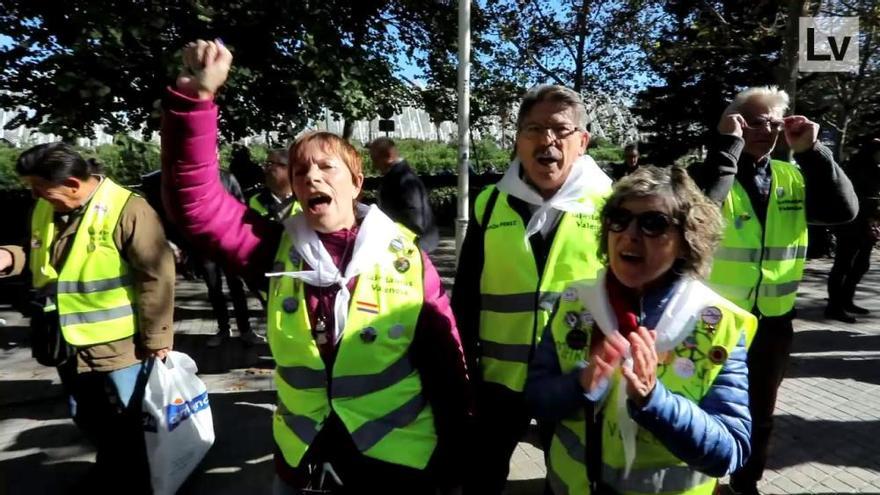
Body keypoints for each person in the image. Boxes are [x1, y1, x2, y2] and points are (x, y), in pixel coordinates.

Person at [160, 39, 469, 494]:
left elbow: (446, 360)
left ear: (357, 182)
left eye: (326, 167)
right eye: (302, 170)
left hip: (398, 456)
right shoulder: (273, 248)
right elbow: (196, 205)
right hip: (304, 453)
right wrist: (196, 97)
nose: (311, 177)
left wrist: (456, 450)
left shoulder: (405, 257)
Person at [526, 166, 754, 494]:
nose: (630, 234)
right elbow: (536, 400)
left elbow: (729, 453)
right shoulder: (576, 302)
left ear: (687, 238)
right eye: (619, 218)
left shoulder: (716, 323)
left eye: (653, 223)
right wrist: (579, 384)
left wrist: (656, 401)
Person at [689, 86, 858, 495]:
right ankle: (695, 482)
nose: (763, 129)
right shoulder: (706, 171)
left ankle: (745, 483)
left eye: (772, 121)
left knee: (760, 413)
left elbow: (843, 211)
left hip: (773, 321)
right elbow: (700, 212)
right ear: (732, 123)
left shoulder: (791, 175)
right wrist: (727, 147)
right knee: (700, 407)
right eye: (751, 120)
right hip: (712, 321)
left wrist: (814, 151)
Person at [452, 84, 612, 494]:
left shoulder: (611, 203)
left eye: (560, 130)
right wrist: (463, 367)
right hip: (498, 381)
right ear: (518, 140)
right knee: (479, 478)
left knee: (572, 481)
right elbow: (467, 294)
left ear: (582, 141)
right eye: (534, 129)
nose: (547, 141)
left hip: (573, 377)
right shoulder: (491, 203)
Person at [0, 143, 174, 492]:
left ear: (73, 184)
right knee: (88, 416)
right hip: (66, 341)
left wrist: (158, 340)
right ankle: (110, 471)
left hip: (119, 347)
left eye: (41, 188)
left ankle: (138, 481)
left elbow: (157, 275)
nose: (35, 195)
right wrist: (8, 256)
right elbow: (39, 253)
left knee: (129, 421)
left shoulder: (128, 209)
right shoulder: (47, 207)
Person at [826, 138, 880, 322]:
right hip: (850, 223)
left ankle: (846, 300)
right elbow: (853, 196)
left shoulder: (874, 168)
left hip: (866, 224)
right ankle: (834, 306)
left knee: (861, 264)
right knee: (843, 264)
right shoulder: (856, 168)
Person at [368, 137, 439, 252]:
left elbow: (415, 215)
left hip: (413, 245)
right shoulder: (399, 175)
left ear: (388, 155)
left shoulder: (404, 179)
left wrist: (406, 245)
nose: (374, 164)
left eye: (375, 159)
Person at [248, 148, 299, 222]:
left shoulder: (306, 199)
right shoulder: (255, 201)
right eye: (265, 165)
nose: (265, 170)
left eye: (269, 164)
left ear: (288, 167)